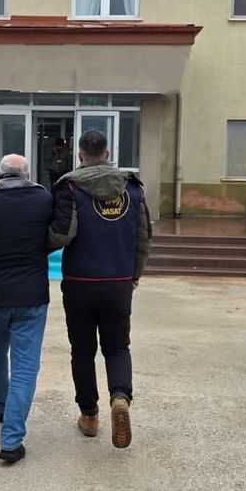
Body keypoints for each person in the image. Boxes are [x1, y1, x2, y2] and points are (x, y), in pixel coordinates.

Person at [48, 130, 152, 449]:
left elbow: (63, 235)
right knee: (118, 347)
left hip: (80, 283)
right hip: (118, 282)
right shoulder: (132, 188)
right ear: (107, 154)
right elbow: (143, 238)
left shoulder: (69, 186)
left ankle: (90, 415)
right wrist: (134, 275)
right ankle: (119, 397)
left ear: (80, 156)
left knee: (82, 351)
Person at [0, 154, 54, 464]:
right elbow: (55, 234)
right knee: (25, 368)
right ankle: (11, 439)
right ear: (27, 174)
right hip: (31, 295)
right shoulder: (43, 198)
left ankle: (3, 408)